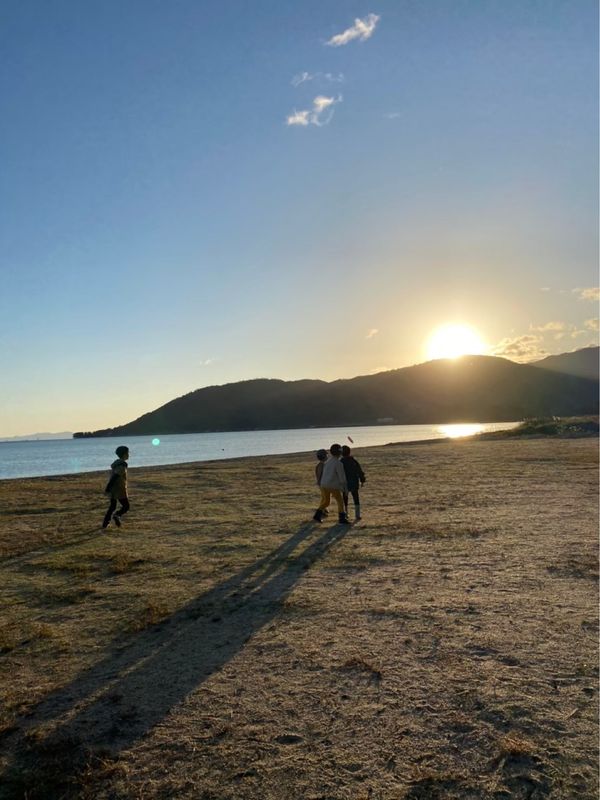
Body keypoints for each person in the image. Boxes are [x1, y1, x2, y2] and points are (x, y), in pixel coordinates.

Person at [313, 443, 350, 524]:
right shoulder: (338, 463)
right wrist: (345, 487)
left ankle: (317, 515)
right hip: (332, 485)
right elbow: (342, 477)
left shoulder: (328, 461)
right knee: (340, 501)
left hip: (323, 484)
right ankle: (342, 518)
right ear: (340, 453)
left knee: (326, 502)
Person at [102, 445, 130, 530]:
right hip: (119, 489)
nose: (129, 455)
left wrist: (109, 488)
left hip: (114, 489)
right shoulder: (121, 466)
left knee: (112, 506)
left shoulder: (117, 463)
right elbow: (115, 477)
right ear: (124, 454)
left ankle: (105, 524)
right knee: (126, 506)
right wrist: (108, 488)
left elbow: (113, 477)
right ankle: (117, 515)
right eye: (128, 453)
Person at [341, 445, 366, 521]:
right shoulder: (353, 461)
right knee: (356, 498)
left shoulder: (341, 462)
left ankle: (345, 513)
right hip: (354, 482)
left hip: (344, 483)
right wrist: (362, 480)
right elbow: (359, 471)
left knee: (345, 498)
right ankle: (357, 515)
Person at [314, 448, 329, 518]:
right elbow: (319, 475)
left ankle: (324, 509)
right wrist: (320, 482)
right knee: (325, 499)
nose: (327, 456)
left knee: (324, 497)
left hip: (324, 483)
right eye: (326, 455)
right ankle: (321, 510)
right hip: (322, 484)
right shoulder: (321, 465)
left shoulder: (323, 464)